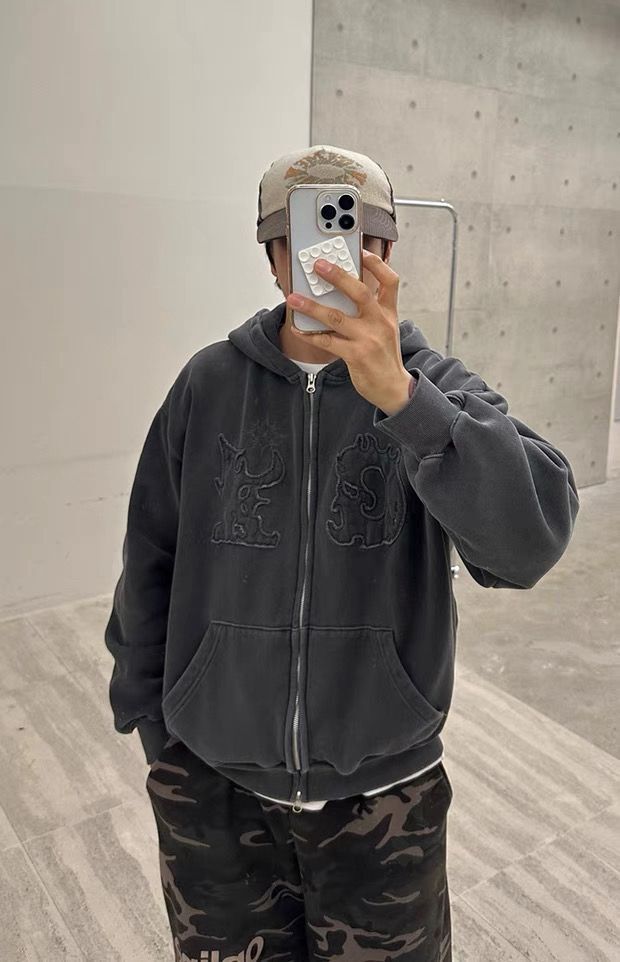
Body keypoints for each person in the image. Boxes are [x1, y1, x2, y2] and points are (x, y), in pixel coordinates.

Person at [104, 144, 580, 961]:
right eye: (306, 237)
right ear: (272, 254)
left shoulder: (436, 390)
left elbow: (530, 543)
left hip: (385, 799)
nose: (334, 258)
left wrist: (406, 402)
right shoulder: (207, 384)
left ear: (386, 251)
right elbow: (152, 555)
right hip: (212, 791)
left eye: (360, 237)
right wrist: (155, 730)